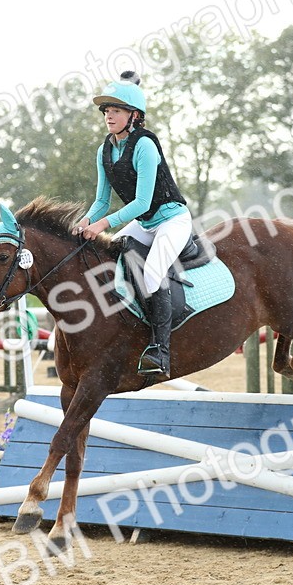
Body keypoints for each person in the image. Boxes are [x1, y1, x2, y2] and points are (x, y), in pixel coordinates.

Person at [74, 71, 192, 377]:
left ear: (134, 116)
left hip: (172, 221)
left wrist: (102, 225)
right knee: (109, 259)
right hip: (145, 224)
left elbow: (141, 202)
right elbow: (102, 201)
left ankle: (160, 351)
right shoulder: (105, 150)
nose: (109, 116)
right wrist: (86, 220)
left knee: (151, 274)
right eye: (106, 111)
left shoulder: (145, 146)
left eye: (116, 110)